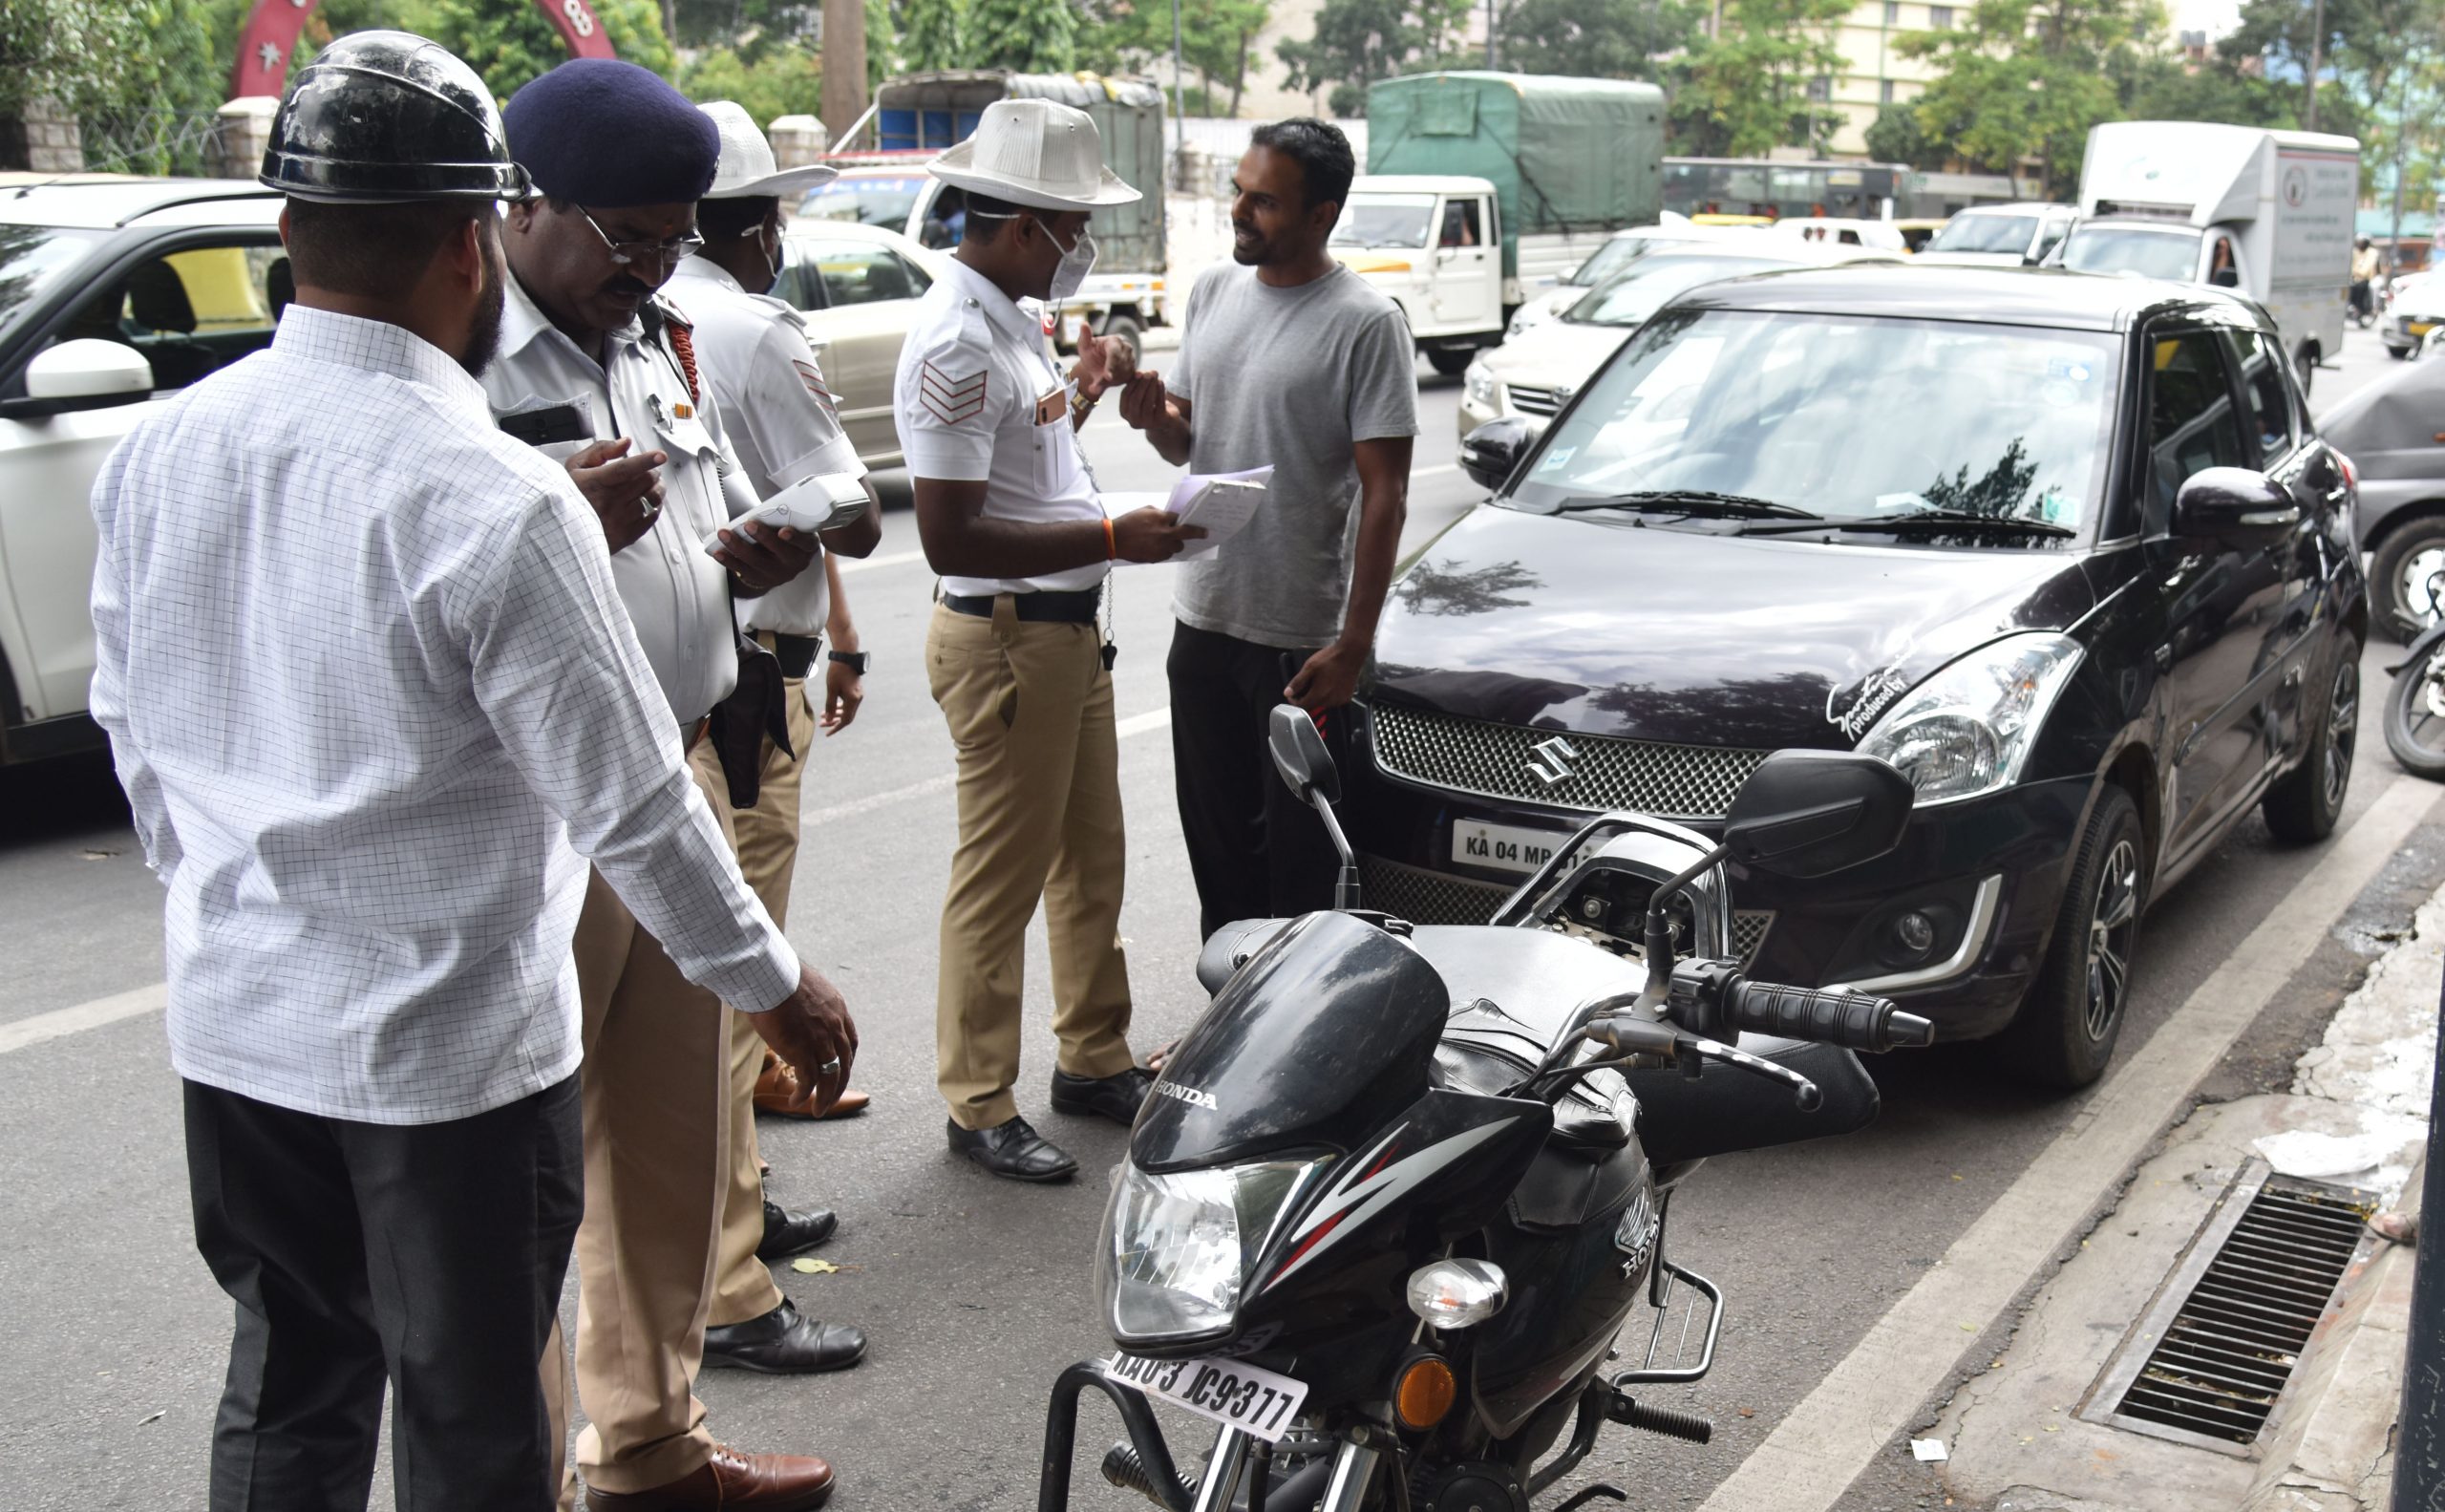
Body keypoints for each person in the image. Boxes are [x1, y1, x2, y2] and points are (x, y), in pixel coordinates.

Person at [88, 32, 853, 1511]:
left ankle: (647, 1442)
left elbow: (138, 737)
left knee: (291, 1386)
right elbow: (631, 795)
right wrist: (775, 978)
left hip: (243, 1032)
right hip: (441, 1059)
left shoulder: (162, 446)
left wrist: (238, 908)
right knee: (475, 1417)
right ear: (469, 240)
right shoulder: (495, 495)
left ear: (290, 233)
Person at [483, 58, 846, 1512]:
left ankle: (647, 1444)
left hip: (681, 752)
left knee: (672, 1143)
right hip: (543, 803)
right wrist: (556, 508)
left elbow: (686, 521)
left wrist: (743, 558)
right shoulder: (458, 355)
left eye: (668, 240)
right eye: (623, 236)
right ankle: (526, 1470)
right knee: (520, 1176)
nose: (645, 269)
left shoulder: (650, 335)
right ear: (523, 205)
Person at [894, 98, 1203, 1182]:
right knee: (1002, 878)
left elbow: (1021, 468)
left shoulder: (1007, 323)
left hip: (1062, 635)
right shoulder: (955, 340)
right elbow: (952, 529)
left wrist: (1081, 389)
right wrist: (1117, 529)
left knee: (1090, 862)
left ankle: (1093, 1054)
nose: (1081, 247)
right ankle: (977, 1098)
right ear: (1022, 224)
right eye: (1072, 226)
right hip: (1010, 639)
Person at [664, 97, 881, 1375]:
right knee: (734, 968)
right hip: (740, 680)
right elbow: (843, 503)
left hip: (725, 663)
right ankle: (729, 1274)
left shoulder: (652, 327)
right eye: (778, 218)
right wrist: (833, 547)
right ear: (751, 227)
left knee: (725, 969)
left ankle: (739, 1206)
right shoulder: (748, 324)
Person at [1118, 117, 1418, 941]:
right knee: (1216, 850)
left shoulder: (1365, 322)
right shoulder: (1213, 290)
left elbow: (1385, 492)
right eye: (1239, 194)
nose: (1241, 213)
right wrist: (1156, 420)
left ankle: (1296, 1045)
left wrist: (1352, 645)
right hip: (1204, 617)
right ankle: (1227, 1021)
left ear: (1322, 214)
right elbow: (1193, 436)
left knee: (1300, 864)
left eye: (1266, 202)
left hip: (1300, 646)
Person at [2352, 236, 2382, 322]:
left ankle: (2372, 308)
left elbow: (2368, 267)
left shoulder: (2372, 253)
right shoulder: (2355, 252)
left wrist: (2360, 274)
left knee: (2371, 288)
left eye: (2362, 243)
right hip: (2356, 277)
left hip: (2370, 278)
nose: (2360, 245)